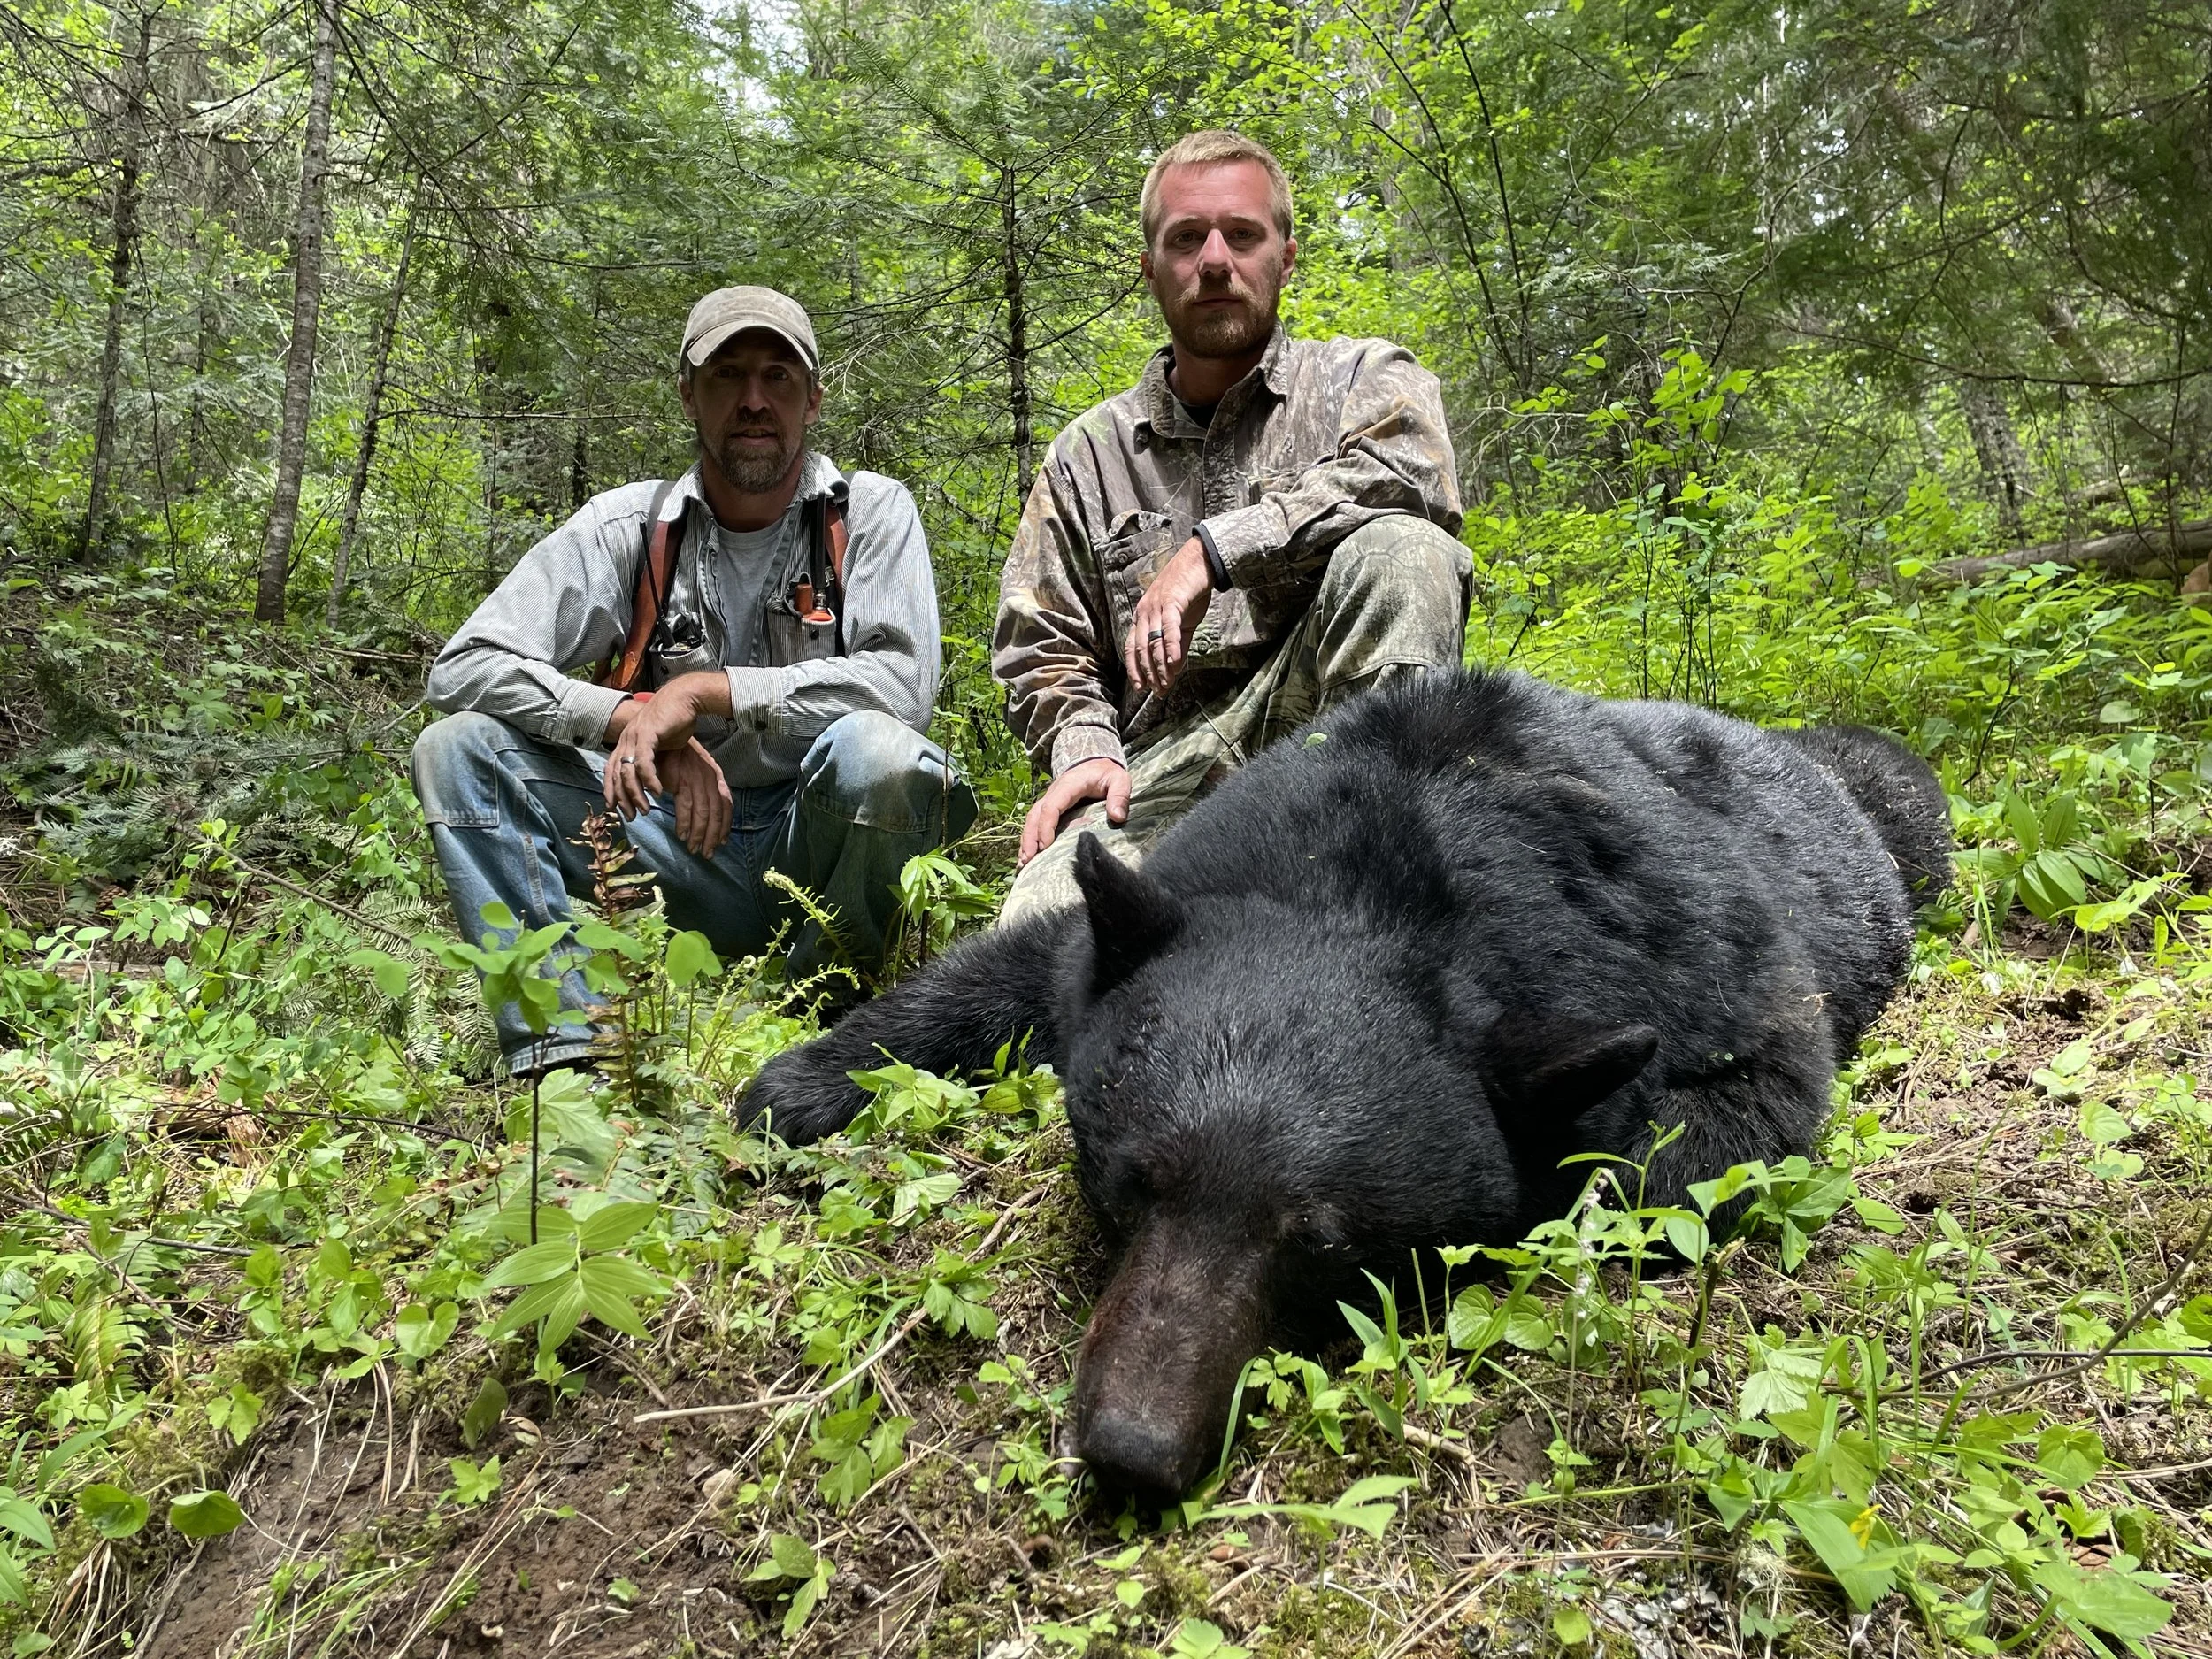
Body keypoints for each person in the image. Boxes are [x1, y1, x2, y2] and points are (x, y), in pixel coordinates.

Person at [411, 286, 975, 1077]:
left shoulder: (870, 515)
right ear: (688, 393)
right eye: (727, 375)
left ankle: (831, 1016)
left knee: (884, 757)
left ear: (813, 398)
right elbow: (463, 665)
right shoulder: (628, 529)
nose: (753, 400)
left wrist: (702, 693)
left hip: (817, 848)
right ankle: (565, 1059)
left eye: (778, 376)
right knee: (458, 750)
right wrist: (632, 717)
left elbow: (904, 686)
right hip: (661, 848)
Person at [994, 130, 1467, 923]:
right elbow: (1044, 645)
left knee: (1406, 552)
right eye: (1186, 238)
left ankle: (1391, 908)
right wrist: (1086, 748)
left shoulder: (1362, 378)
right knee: (1042, 935)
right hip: (1163, 764)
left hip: (1337, 734)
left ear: (1285, 255)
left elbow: (1414, 476)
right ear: (1149, 265)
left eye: (1242, 234)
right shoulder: (1088, 455)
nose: (1215, 259)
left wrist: (1211, 552)